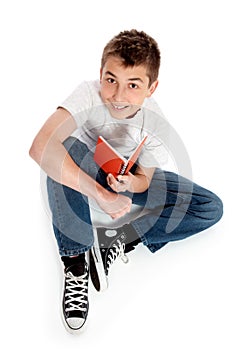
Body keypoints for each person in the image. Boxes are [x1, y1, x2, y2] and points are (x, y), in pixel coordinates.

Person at [29, 29, 223, 334]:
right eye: (111, 80)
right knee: (61, 146)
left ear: (151, 87)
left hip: (124, 177)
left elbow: (145, 180)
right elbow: (41, 146)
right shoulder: (87, 93)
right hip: (85, 171)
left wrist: (127, 186)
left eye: (133, 85)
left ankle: (121, 238)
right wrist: (100, 194)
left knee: (211, 207)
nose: (118, 96)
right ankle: (76, 260)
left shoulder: (155, 121)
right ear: (101, 74)